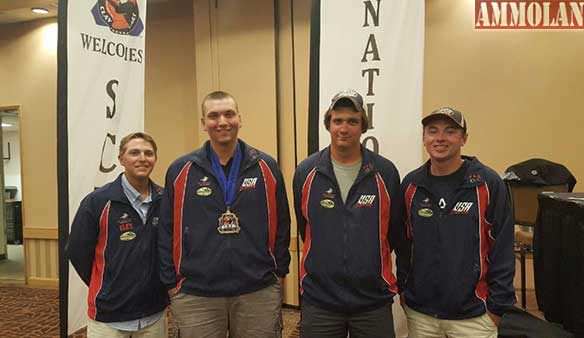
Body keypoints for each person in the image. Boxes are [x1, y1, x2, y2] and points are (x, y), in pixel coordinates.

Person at [158, 90, 291, 338]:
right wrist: (172, 283)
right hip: (196, 294)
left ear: (240, 118)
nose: (222, 122)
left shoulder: (266, 167)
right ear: (203, 123)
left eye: (229, 114)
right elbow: (167, 229)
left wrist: (278, 273)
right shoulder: (181, 170)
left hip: (257, 291)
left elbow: (282, 223)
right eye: (213, 116)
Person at [293, 89, 403, 338]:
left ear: (363, 126)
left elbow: (394, 233)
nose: (344, 128)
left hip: (372, 301)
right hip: (320, 301)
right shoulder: (306, 172)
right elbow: (306, 228)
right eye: (338, 120)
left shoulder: (385, 172)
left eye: (352, 121)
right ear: (328, 124)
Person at [399, 107, 516, 337]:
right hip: (421, 315)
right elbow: (403, 244)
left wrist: (497, 308)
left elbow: (503, 247)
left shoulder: (487, 183)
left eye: (450, 131)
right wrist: (404, 289)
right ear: (424, 138)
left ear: (464, 139)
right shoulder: (411, 185)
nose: (440, 138)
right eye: (432, 131)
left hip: (474, 316)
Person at [67, 132, 168, 338]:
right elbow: (77, 252)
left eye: (148, 153)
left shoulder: (165, 199)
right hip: (109, 315)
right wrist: (108, 284)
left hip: (154, 312)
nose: (142, 158)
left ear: (155, 159)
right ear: (121, 159)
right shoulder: (97, 202)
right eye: (134, 152)